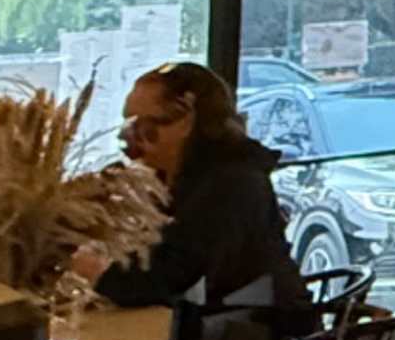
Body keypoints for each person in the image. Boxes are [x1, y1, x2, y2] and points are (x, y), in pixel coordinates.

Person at [95, 62, 304, 321]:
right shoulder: (165, 179)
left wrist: (98, 273)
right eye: (128, 124)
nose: (130, 139)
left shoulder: (232, 183)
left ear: (187, 121)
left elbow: (170, 277)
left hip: (264, 335)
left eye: (145, 126)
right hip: (212, 327)